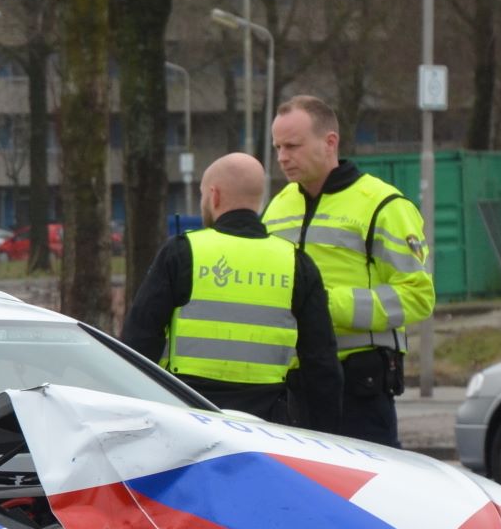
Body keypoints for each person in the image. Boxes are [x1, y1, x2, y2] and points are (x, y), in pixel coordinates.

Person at [121, 152, 341, 428]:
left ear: (214, 195)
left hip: (188, 417)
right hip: (269, 422)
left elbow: (139, 342)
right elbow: (321, 363)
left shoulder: (182, 252)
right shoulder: (296, 263)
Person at [264, 95, 435, 448]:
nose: (282, 157)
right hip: (292, 386)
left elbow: (417, 297)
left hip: (359, 388)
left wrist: (324, 306)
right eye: (278, 146)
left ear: (330, 143)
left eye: (293, 146)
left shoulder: (383, 205)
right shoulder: (278, 206)